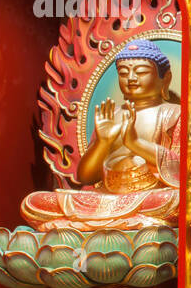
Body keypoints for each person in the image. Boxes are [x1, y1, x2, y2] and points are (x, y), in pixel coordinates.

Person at [22, 40, 180, 231]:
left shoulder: (174, 114)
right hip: (106, 197)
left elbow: (182, 168)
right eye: (123, 72)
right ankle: (126, 225)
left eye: (141, 72)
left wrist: (135, 143)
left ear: (165, 79)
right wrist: (102, 143)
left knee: (179, 200)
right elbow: (86, 177)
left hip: (149, 197)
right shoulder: (109, 118)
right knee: (34, 202)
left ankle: (84, 227)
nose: (131, 78)